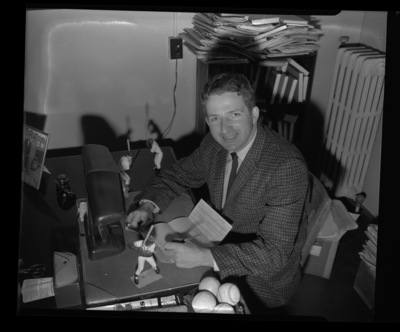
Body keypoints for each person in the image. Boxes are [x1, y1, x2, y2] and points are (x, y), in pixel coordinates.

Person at [126, 73, 309, 314]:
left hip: (258, 283)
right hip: (217, 240)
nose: (224, 129)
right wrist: (147, 206)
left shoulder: (285, 166)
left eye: (234, 114)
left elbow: (274, 255)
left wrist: (205, 257)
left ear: (254, 115)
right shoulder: (214, 145)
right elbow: (178, 175)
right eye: (215, 118)